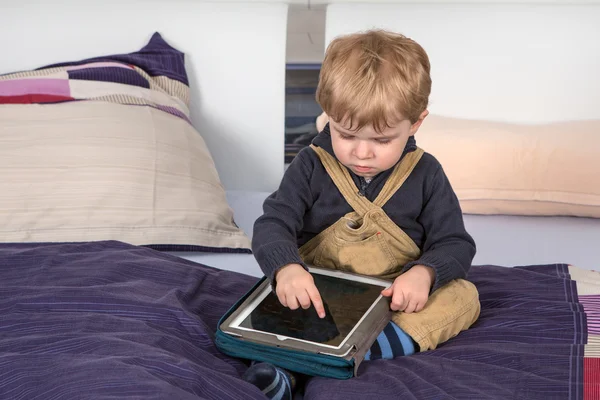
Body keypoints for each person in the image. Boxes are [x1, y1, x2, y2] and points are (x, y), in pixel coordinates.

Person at [243, 29, 481, 400]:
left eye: (382, 140)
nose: (362, 154)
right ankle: (285, 368)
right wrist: (287, 269)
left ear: (416, 122)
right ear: (329, 116)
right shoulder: (309, 164)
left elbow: (454, 242)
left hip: (392, 300)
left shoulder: (427, 173)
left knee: (464, 297)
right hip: (318, 295)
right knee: (266, 298)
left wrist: (425, 273)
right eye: (346, 134)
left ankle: (361, 351)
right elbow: (273, 224)